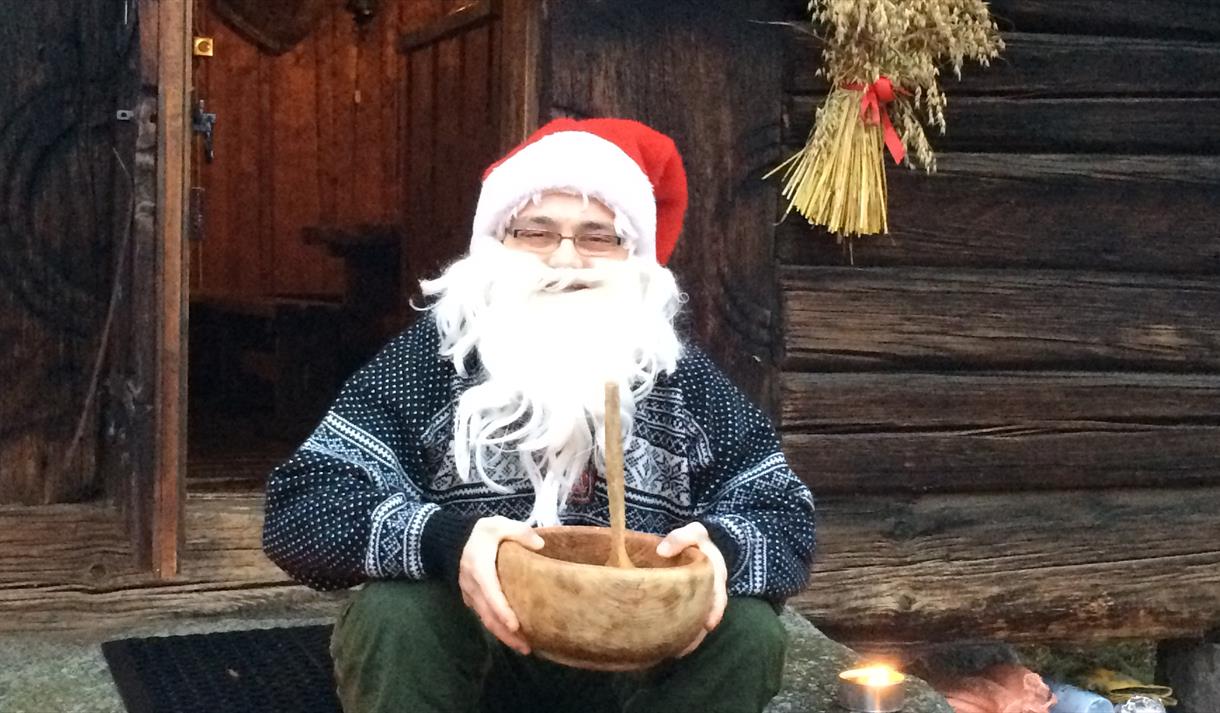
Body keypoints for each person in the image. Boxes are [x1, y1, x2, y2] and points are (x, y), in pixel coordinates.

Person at [263, 117, 817, 713]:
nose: (566, 259)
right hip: (477, 658)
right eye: (536, 232)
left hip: (633, 661)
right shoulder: (433, 360)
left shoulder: (682, 380)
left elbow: (785, 513)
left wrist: (721, 550)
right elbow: (303, 502)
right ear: (496, 243)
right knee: (395, 613)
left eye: (598, 237)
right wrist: (443, 541)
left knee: (749, 629)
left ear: (636, 255)